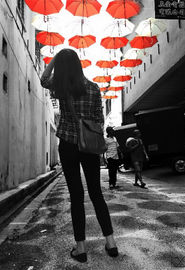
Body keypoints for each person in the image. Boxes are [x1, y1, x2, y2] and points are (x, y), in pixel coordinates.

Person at [40, 49, 118, 262]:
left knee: (76, 195)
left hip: (67, 144)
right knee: (96, 194)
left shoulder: (61, 87)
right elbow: (99, 120)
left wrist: (56, 58)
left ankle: (81, 248)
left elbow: (43, 78)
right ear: (79, 64)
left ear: (63, 67)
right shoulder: (93, 88)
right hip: (88, 146)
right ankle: (110, 242)